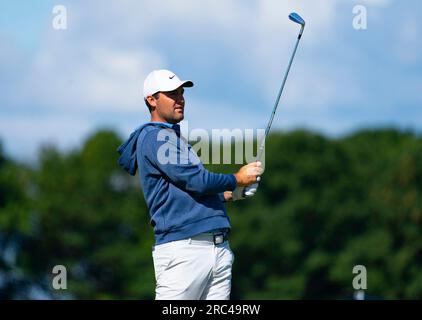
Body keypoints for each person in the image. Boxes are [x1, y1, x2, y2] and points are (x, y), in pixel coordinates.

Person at [117, 69, 263, 300]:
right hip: (184, 252)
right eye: (172, 94)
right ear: (151, 100)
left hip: (216, 249)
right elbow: (198, 181)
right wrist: (238, 178)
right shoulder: (155, 138)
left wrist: (229, 194)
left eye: (181, 93)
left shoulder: (172, 138)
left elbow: (186, 192)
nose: (180, 99)